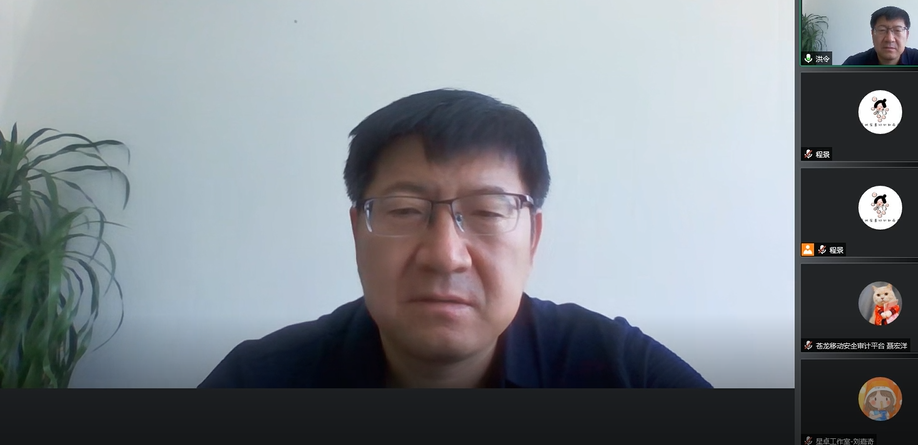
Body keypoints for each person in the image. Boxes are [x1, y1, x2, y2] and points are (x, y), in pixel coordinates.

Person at [199, 89, 711, 388]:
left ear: (532, 239)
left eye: (486, 212)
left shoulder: (621, 372)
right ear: (358, 232)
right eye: (405, 211)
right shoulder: (260, 380)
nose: (445, 256)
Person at [842, 6, 918, 65]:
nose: (889, 39)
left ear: (907, 35)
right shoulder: (854, 64)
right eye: (882, 30)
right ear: (872, 34)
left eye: (897, 30)